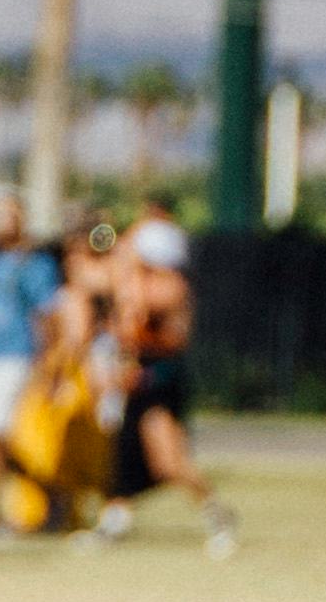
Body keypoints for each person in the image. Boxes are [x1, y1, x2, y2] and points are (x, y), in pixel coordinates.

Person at [100, 188, 236, 550]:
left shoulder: (170, 289)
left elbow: (165, 338)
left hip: (158, 380)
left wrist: (131, 318)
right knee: (124, 452)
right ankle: (114, 519)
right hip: (137, 376)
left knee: (169, 462)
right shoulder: (139, 282)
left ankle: (216, 514)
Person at [0, 188, 59, 534]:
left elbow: (47, 317)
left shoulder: (34, 265)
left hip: (14, 358)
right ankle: (50, 497)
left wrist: (47, 365)